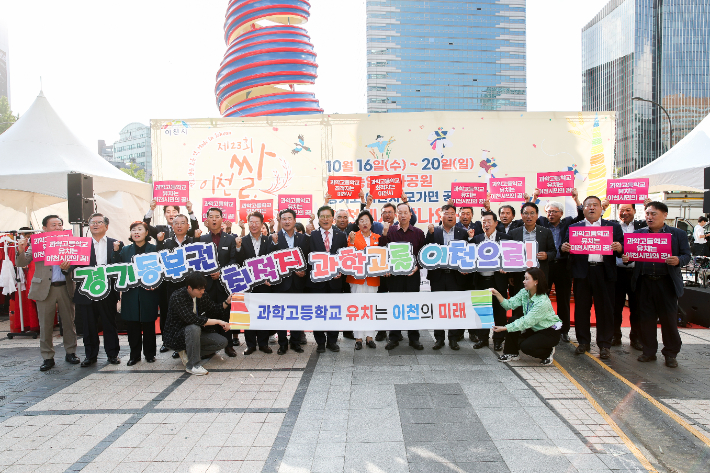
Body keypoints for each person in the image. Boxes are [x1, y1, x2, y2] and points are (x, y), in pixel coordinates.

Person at [628, 202, 691, 368]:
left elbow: (686, 255)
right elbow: (633, 255)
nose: (649, 217)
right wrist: (628, 257)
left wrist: (678, 260)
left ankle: (670, 353)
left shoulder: (678, 234)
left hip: (666, 283)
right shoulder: (638, 234)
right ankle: (648, 351)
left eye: (653, 214)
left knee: (668, 320)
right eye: (647, 213)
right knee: (646, 319)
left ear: (665, 215)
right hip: (644, 282)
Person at [561, 196, 624, 360]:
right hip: (583, 272)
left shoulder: (613, 226)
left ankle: (604, 345)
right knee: (582, 309)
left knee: (605, 310)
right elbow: (564, 247)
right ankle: (583, 342)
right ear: (583, 209)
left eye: (595, 205)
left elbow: (623, 250)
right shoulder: (574, 227)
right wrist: (564, 247)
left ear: (601, 208)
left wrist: (619, 248)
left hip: (604, 272)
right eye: (588, 205)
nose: (592, 208)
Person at [16, 215, 80, 371]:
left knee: (69, 322)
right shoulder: (37, 243)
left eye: (59, 225)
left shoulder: (69, 241)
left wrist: (68, 266)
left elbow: (78, 261)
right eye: (53, 225)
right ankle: (47, 357)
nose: (57, 227)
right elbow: (22, 262)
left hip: (65, 286)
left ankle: (70, 352)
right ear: (45, 228)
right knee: (45, 325)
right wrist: (21, 250)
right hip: (44, 288)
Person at [534, 194, 584, 343]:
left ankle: (564, 330)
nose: (551, 214)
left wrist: (576, 199)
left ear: (561, 213)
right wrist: (534, 197)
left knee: (563, 300)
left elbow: (581, 216)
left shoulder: (568, 223)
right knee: (542, 299)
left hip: (563, 266)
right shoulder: (541, 223)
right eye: (549, 211)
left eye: (554, 211)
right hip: (545, 266)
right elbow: (529, 213)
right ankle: (541, 328)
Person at [73, 213, 121, 367]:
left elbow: (121, 266)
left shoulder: (116, 244)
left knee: (109, 324)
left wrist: (116, 253)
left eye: (99, 222)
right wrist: (66, 268)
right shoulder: (80, 245)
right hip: (87, 291)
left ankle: (112, 354)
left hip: (108, 290)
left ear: (106, 226)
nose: (95, 225)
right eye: (92, 222)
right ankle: (90, 356)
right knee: (89, 325)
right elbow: (74, 267)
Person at [162, 272, 232, 375]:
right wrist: (219, 322)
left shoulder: (202, 296)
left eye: (203, 288)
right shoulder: (178, 297)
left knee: (222, 342)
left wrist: (226, 302)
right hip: (177, 336)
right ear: (189, 288)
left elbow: (214, 309)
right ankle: (193, 365)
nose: (202, 291)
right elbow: (193, 319)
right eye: (199, 289)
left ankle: (188, 353)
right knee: (194, 327)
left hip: (196, 334)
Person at [379, 202, 425, 351]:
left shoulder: (418, 233)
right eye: (400, 212)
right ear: (396, 215)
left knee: (412, 306)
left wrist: (418, 266)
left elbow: (422, 255)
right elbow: (382, 251)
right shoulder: (390, 231)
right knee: (395, 305)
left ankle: (414, 338)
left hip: (412, 276)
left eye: (406, 212)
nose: (403, 215)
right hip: (395, 276)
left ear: (411, 214)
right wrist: (384, 235)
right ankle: (394, 337)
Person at [112, 221, 160, 365]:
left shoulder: (154, 249)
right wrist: (115, 252)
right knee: (132, 326)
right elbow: (116, 268)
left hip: (149, 293)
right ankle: (134, 355)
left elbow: (161, 270)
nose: (136, 232)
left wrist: (156, 284)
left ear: (146, 233)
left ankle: (150, 354)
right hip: (131, 293)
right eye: (133, 230)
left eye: (140, 229)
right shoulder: (125, 250)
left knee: (149, 325)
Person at [492, 268, 562, 366]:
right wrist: (497, 294)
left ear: (536, 281)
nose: (523, 281)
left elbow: (526, 322)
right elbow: (509, 305)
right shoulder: (524, 292)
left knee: (526, 347)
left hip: (548, 332)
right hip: (534, 328)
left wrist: (504, 328)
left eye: (527, 279)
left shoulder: (542, 301)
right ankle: (511, 353)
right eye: (524, 278)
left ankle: (547, 352)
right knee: (513, 320)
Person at [425, 204, 470, 350]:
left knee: (453, 308)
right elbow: (426, 251)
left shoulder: (462, 232)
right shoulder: (434, 231)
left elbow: (467, 254)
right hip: (438, 276)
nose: (450, 215)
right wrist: (430, 234)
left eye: (452, 213)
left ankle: (453, 339)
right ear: (441, 215)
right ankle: (439, 338)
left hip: (455, 277)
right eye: (447, 213)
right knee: (438, 307)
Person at [198, 207, 239, 355]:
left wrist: (221, 271)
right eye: (211, 217)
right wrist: (209, 272)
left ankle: (228, 345)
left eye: (217, 216)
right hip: (207, 286)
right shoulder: (202, 239)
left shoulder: (230, 238)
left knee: (226, 313)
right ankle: (212, 346)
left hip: (224, 285)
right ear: (206, 221)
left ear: (222, 219)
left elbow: (234, 260)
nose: (214, 219)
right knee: (209, 314)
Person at [269, 209, 310, 355]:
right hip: (281, 283)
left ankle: (296, 343)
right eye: (284, 219)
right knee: (281, 315)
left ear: (294, 220)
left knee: (296, 314)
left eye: (289, 218)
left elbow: (307, 259)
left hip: (298, 283)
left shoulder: (303, 238)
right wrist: (273, 245)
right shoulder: (274, 237)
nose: (286, 221)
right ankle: (282, 344)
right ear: (280, 220)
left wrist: (304, 271)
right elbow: (270, 259)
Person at [308, 205, 347, 353]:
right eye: (322, 217)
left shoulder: (341, 236)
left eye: (328, 216)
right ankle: (320, 342)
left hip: (335, 282)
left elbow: (344, 259)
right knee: (318, 312)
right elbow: (308, 258)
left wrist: (341, 271)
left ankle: (332, 341)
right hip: (317, 282)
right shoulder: (312, 236)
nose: (325, 219)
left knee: (333, 312)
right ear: (319, 219)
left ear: (333, 218)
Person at [609, 202, 648, 350]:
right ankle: (615, 335)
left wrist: (649, 205)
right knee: (615, 306)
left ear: (634, 211)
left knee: (637, 307)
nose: (624, 213)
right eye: (621, 210)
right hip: (617, 272)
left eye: (628, 210)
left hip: (637, 272)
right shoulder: (612, 226)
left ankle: (636, 338)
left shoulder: (643, 226)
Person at [471, 211, 511, 350]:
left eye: (489, 221)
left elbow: (511, 258)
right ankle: (482, 339)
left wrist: (506, 267)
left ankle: (498, 339)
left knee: (499, 311)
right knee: (482, 310)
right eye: (483, 222)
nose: (486, 224)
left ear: (496, 223)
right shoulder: (476, 239)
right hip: (481, 280)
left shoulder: (505, 238)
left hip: (498, 280)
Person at [156, 214, 194, 357]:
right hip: (169, 285)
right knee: (168, 314)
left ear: (187, 226)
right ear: (172, 226)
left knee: (186, 314)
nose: (179, 226)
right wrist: (159, 243)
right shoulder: (166, 243)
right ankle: (167, 342)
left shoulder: (193, 242)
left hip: (188, 286)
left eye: (182, 223)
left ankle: (182, 345)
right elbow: (159, 262)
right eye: (176, 223)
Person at [236, 212, 273, 355]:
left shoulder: (268, 240)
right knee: (248, 314)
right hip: (248, 284)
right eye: (251, 222)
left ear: (262, 224)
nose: (254, 225)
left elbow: (272, 260)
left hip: (265, 284)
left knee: (262, 313)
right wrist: (238, 248)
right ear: (247, 223)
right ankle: (250, 344)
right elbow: (238, 262)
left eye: (257, 222)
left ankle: (263, 343)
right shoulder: (242, 240)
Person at [347, 210, 381, 350]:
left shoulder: (377, 237)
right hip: (357, 278)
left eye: (367, 220)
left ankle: (370, 337)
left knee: (371, 307)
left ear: (371, 223)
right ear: (358, 224)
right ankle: (358, 338)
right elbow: (348, 256)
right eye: (361, 220)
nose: (364, 223)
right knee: (358, 307)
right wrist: (352, 242)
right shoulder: (353, 236)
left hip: (373, 278)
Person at [508, 202, 556, 280]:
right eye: (526, 213)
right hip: (520, 275)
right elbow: (509, 255)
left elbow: (553, 251)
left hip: (540, 273)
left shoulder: (546, 232)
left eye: (532, 213)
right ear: (521, 215)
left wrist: (546, 255)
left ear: (537, 215)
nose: (529, 216)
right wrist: (510, 275)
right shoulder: (513, 233)